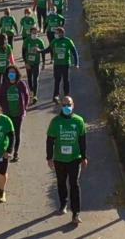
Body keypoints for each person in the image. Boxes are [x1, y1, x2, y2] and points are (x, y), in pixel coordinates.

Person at [46, 96, 87, 224]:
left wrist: (84, 157)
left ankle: (76, 213)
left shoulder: (79, 121)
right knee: (61, 182)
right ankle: (63, 204)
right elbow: (50, 141)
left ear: (73, 105)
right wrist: (49, 158)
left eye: (68, 104)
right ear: (61, 107)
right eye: (63, 105)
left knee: (74, 184)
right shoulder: (55, 122)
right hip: (59, 159)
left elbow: (82, 141)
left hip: (74, 159)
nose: (66, 107)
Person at [0, 65, 30, 162]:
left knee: (17, 133)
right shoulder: (4, 85)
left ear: (16, 73)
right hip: (8, 114)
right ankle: (7, 151)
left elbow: (27, 96)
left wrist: (24, 108)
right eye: (10, 72)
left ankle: (16, 153)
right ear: (7, 74)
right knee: (7, 133)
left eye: (13, 72)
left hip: (18, 114)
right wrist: (2, 108)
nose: (11, 74)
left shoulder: (21, 84)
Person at [42, 27, 79, 104]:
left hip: (65, 64)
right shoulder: (54, 41)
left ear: (62, 33)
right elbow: (48, 50)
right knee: (57, 80)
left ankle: (66, 95)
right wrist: (40, 51)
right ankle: (56, 96)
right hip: (57, 64)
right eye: (55, 33)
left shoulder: (68, 41)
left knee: (66, 80)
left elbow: (74, 52)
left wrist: (76, 63)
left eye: (57, 33)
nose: (55, 34)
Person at [23, 26, 46, 104]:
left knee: (35, 79)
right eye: (33, 32)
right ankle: (32, 92)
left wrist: (43, 63)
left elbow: (43, 52)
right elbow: (23, 52)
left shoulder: (40, 41)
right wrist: (26, 63)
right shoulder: (26, 41)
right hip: (29, 63)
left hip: (36, 63)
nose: (34, 34)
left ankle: (35, 95)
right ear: (30, 33)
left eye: (36, 33)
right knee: (29, 78)